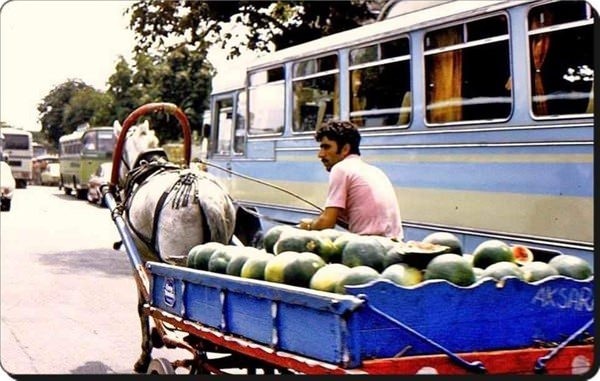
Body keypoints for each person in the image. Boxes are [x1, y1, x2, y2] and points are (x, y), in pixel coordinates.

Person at [298, 120, 403, 240]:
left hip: (368, 247)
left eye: (326, 147)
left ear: (345, 149)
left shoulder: (341, 169)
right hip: (394, 244)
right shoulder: (374, 170)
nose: (320, 154)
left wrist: (308, 226)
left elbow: (327, 224)